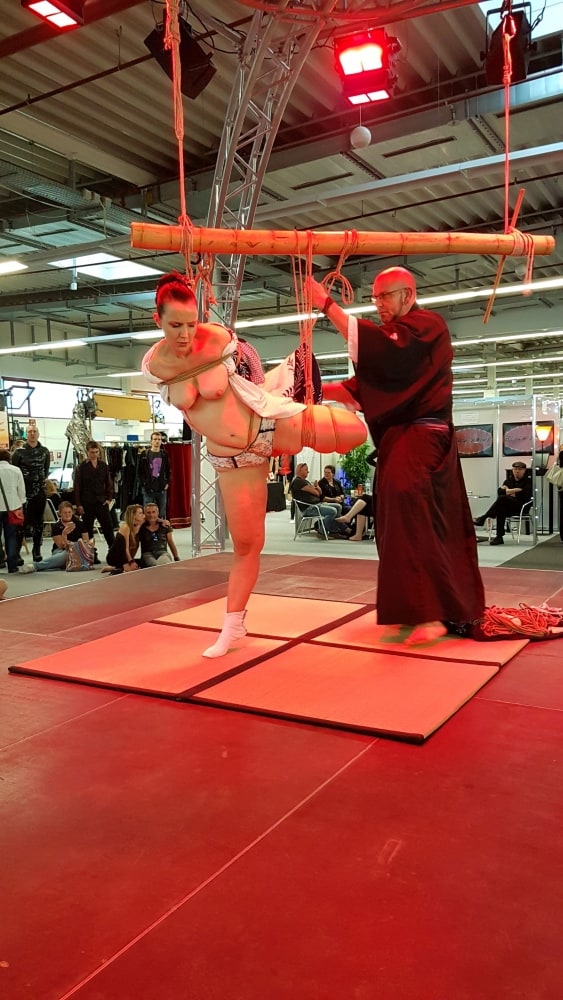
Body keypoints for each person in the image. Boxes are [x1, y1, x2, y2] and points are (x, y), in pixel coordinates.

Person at [142, 272, 366, 657]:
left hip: (266, 424)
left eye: (191, 323)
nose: (185, 333)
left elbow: (250, 363)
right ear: (157, 320)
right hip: (233, 459)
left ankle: (343, 393)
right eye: (175, 325)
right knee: (248, 545)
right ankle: (233, 626)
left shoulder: (218, 339)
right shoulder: (153, 365)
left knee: (355, 431)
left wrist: (274, 388)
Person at [308, 265, 485, 644]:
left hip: (423, 440)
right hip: (401, 443)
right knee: (394, 524)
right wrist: (310, 390)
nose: (378, 304)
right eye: (374, 298)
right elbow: (363, 389)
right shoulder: (399, 343)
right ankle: (410, 611)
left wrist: (326, 305)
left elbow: (385, 351)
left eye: (384, 296)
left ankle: (431, 614)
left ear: (408, 294)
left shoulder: (427, 327)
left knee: (414, 519)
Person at [12, 425, 50, 562]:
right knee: (20, 523)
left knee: (39, 522)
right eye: (30, 432)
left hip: (39, 492)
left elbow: (45, 470)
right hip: (23, 493)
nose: (32, 434)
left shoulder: (44, 451)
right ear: (26, 434)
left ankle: (36, 550)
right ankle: (16, 553)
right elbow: (15, 473)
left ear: (38, 434)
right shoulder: (19, 453)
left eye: (34, 431)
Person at [473, 461, 533, 545]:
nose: (517, 471)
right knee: (500, 508)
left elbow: (524, 495)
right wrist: (515, 490)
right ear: (512, 470)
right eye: (515, 469)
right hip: (509, 507)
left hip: (521, 507)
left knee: (502, 499)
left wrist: (508, 491)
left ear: (524, 471)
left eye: (520, 469)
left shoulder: (528, 482)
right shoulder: (508, 481)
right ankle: (499, 537)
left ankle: (483, 518)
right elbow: (500, 492)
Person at [73, 440, 115, 550]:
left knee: (108, 528)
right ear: (87, 452)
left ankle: (113, 550)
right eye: (92, 452)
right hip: (87, 502)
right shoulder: (81, 467)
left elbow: (109, 483)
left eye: (96, 452)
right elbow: (77, 487)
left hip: (101, 501)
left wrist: (109, 498)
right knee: (88, 530)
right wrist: (78, 504)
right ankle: (91, 552)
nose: (94, 454)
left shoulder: (103, 466)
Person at [29, 501, 92, 572]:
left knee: (71, 554)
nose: (67, 514)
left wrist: (75, 547)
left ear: (73, 512)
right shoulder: (56, 526)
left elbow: (85, 542)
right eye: (65, 512)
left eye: (69, 512)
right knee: (66, 554)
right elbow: (61, 546)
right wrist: (64, 534)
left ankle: (37, 566)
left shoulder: (80, 524)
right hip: (60, 551)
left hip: (79, 550)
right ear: (60, 513)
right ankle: (37, 566)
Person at [290, 463, 349, 538]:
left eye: (328, 472)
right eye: (306, 470)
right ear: (299, 470)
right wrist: (316, 489)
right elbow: (317, 493)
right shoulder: (298, 481)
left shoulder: (305, 481)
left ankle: (334, 531)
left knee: (338, 507)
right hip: (310, 508)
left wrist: (317, 487)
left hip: (316, 505)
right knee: (333, 511)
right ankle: (322, 532)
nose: (308, 471)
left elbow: (319, 493)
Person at [0, 448, 27, 575]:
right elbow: (21, 490)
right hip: (12, 507)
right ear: (9, 458)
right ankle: (12, 565)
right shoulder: (16, 470)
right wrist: (21, 504)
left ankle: (0, 560)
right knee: (11, 536)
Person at [104, 505, 145, 574]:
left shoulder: (140, 523)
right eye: (140, 513)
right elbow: (125, 548)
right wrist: (130, 561)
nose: (143, 515)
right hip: (116, 555)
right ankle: (118, 568)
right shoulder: (126, 527)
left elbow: (154, 519)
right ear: (133, 515)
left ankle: (116, 568)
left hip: (127, 555)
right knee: (121, 541)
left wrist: (162, 521)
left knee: (143, 563)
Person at [138, 431, 170, 518]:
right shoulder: (145, 454)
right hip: (148, 488)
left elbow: (168, 469)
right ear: (151, 441)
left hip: (161, 487)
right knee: (148, 511)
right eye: (155, 439)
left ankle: (161, 526)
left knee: (161, 512)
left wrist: (167, 483)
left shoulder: (164, 454)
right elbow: (140, 471)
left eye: (159, 439)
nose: (157, 441)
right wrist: (143, 484)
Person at [139, 502, 180, 566]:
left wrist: (176, 557)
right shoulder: (141, 527)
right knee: (155, 565)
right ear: (145, 514)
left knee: (163, 563)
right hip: (147, 554)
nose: (151, 515)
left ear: (157, 513)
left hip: (163, 553)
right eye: (148, 512)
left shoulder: (164, 525)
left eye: (153, 512)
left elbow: (170, 542)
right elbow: (134, 544)